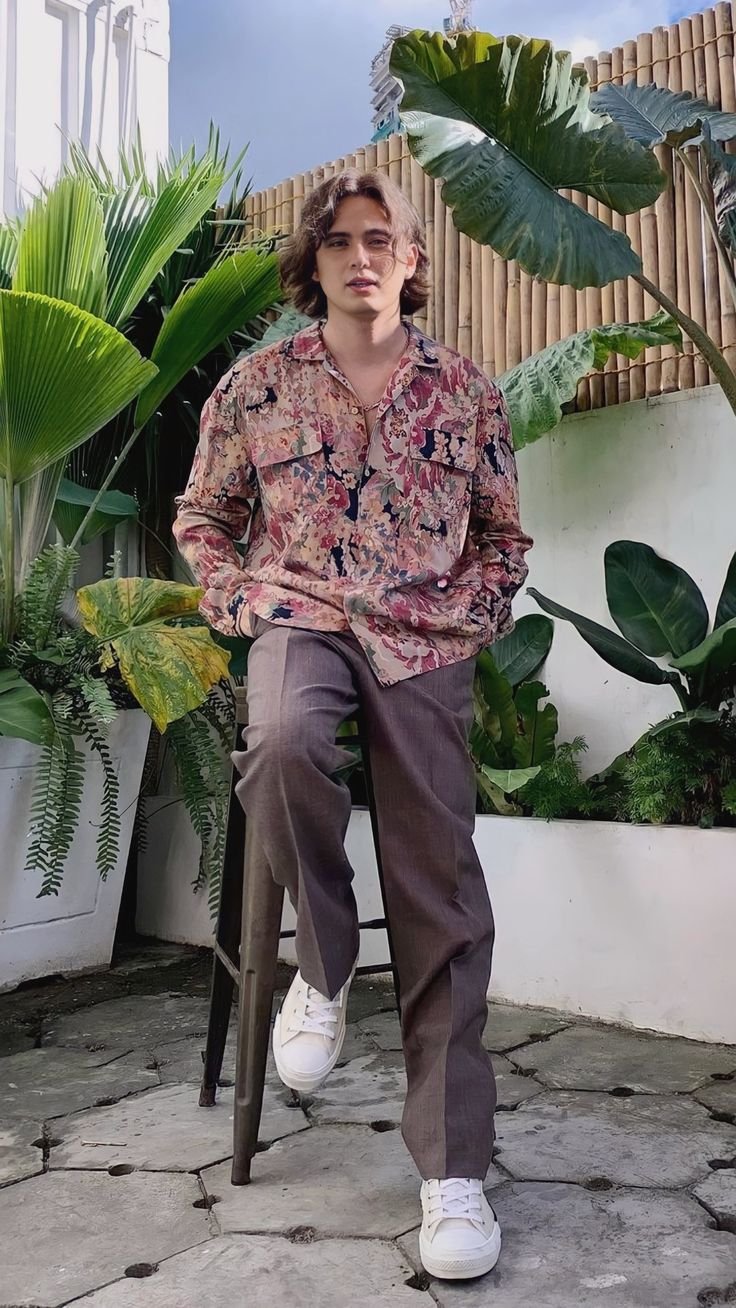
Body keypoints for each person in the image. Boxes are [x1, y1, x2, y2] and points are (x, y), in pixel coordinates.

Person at [173, 168, 532, 1281]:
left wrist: (468, 618)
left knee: (438, 891)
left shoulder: (465, 392)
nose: (361, 256)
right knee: (281, 744)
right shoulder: (256, 386)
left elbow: (503, 540)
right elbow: (204, 517)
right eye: (339, 241)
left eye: (381, 239)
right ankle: (324, 967)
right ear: (313, 262)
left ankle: (452, 1171)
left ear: (411, 260)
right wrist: (245, 599)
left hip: (426, 642)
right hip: (303, 621)